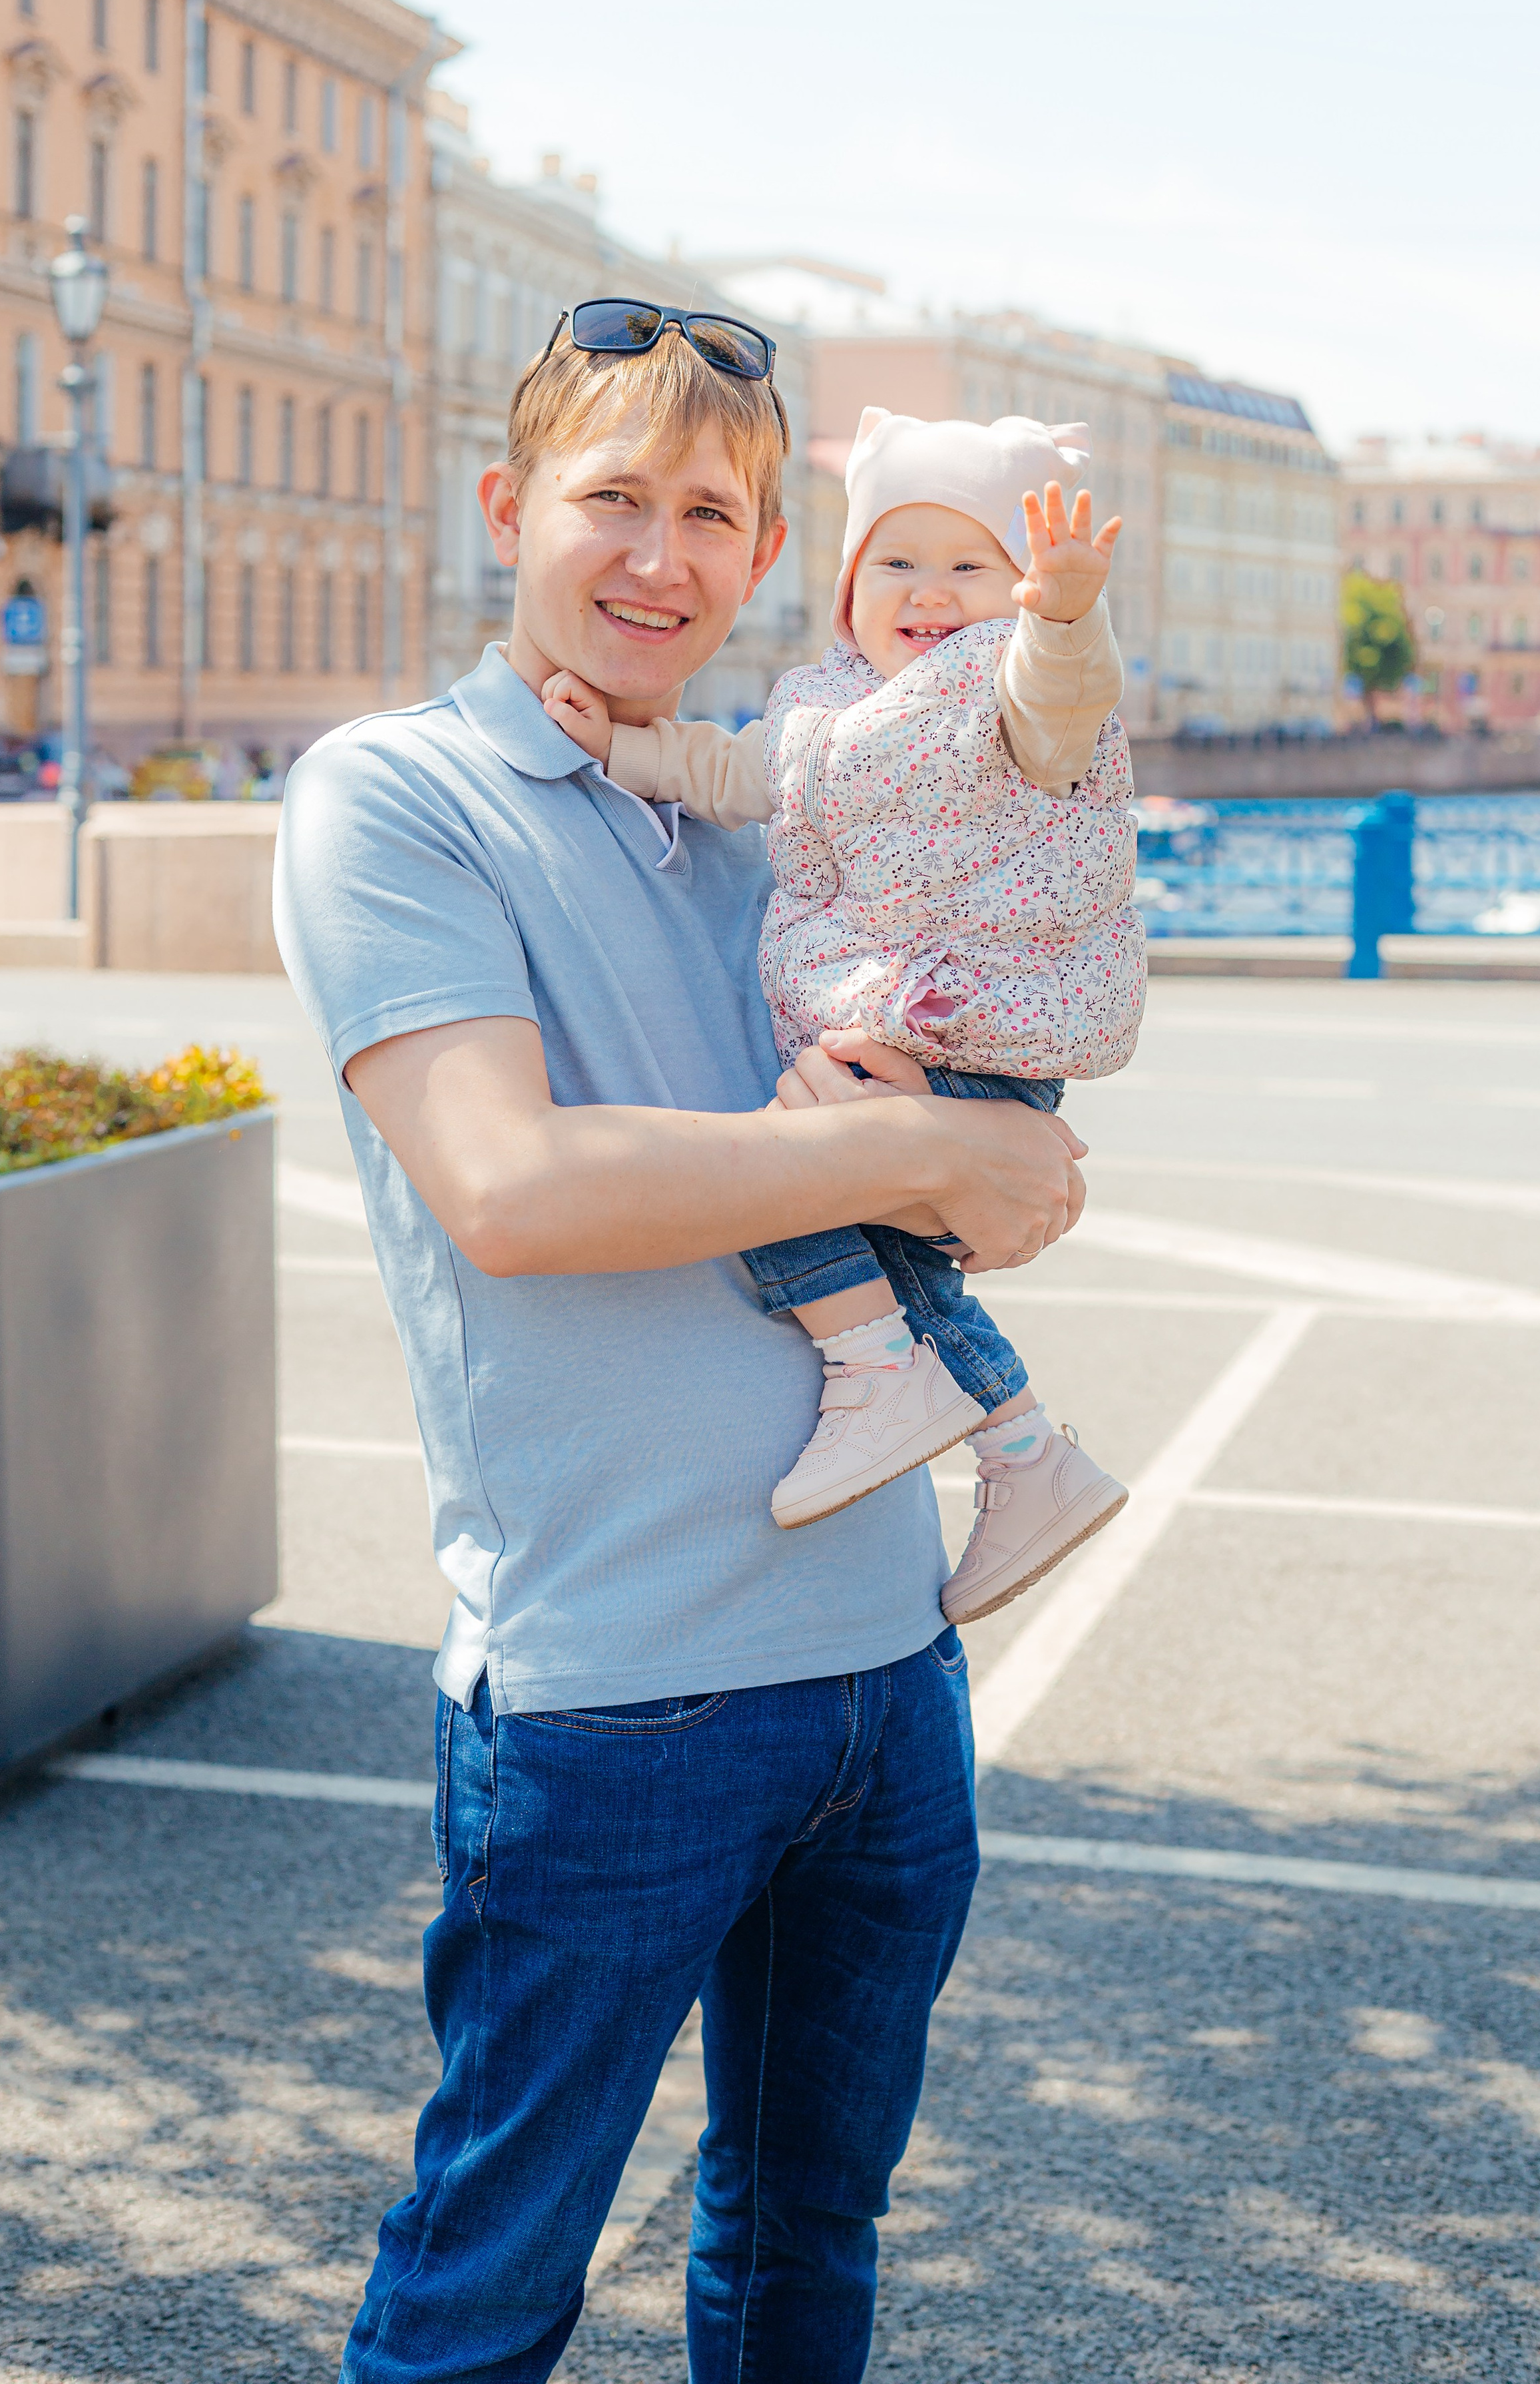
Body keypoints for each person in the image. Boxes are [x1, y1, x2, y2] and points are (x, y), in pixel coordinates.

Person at [273, 300, 1090, 2384]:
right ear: (507, 511)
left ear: (762, 562)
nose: (657, 555)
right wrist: (916, 1151)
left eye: (709, 514)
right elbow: (515, 1190)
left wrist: (962, 1143)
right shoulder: (400, 794)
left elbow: (968, 1127)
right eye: (611, 499)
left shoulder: (783, 809)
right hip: (613, 1696)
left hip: (884, 1673)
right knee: (486, 2289)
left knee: (807, 2243)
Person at [544, 406, 1144, 1620]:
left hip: (973, 1033)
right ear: (849, 585)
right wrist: (621, 747)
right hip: (900, 1037)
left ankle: (877, 1375)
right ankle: (1026, 1455)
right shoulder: (831, 715)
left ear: (1015, 586)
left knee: (780, 1176)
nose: (929, 591)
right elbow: (730, 774)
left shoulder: (1011, 697)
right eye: (896, 562)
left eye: (971, 564)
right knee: (881, 1247)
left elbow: (1060, 691)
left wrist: (1065, 612)